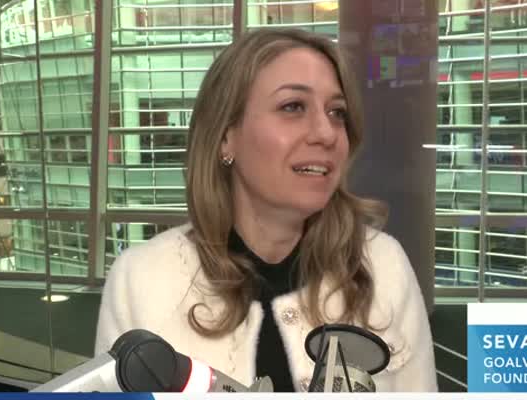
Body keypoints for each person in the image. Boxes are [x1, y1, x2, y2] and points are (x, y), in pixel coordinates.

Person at [94, 28, 437, 392]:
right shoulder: (140, 279)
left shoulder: (383, 265)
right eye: (293, 107)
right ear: (226, 136)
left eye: (337, 112)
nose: (327, 133)